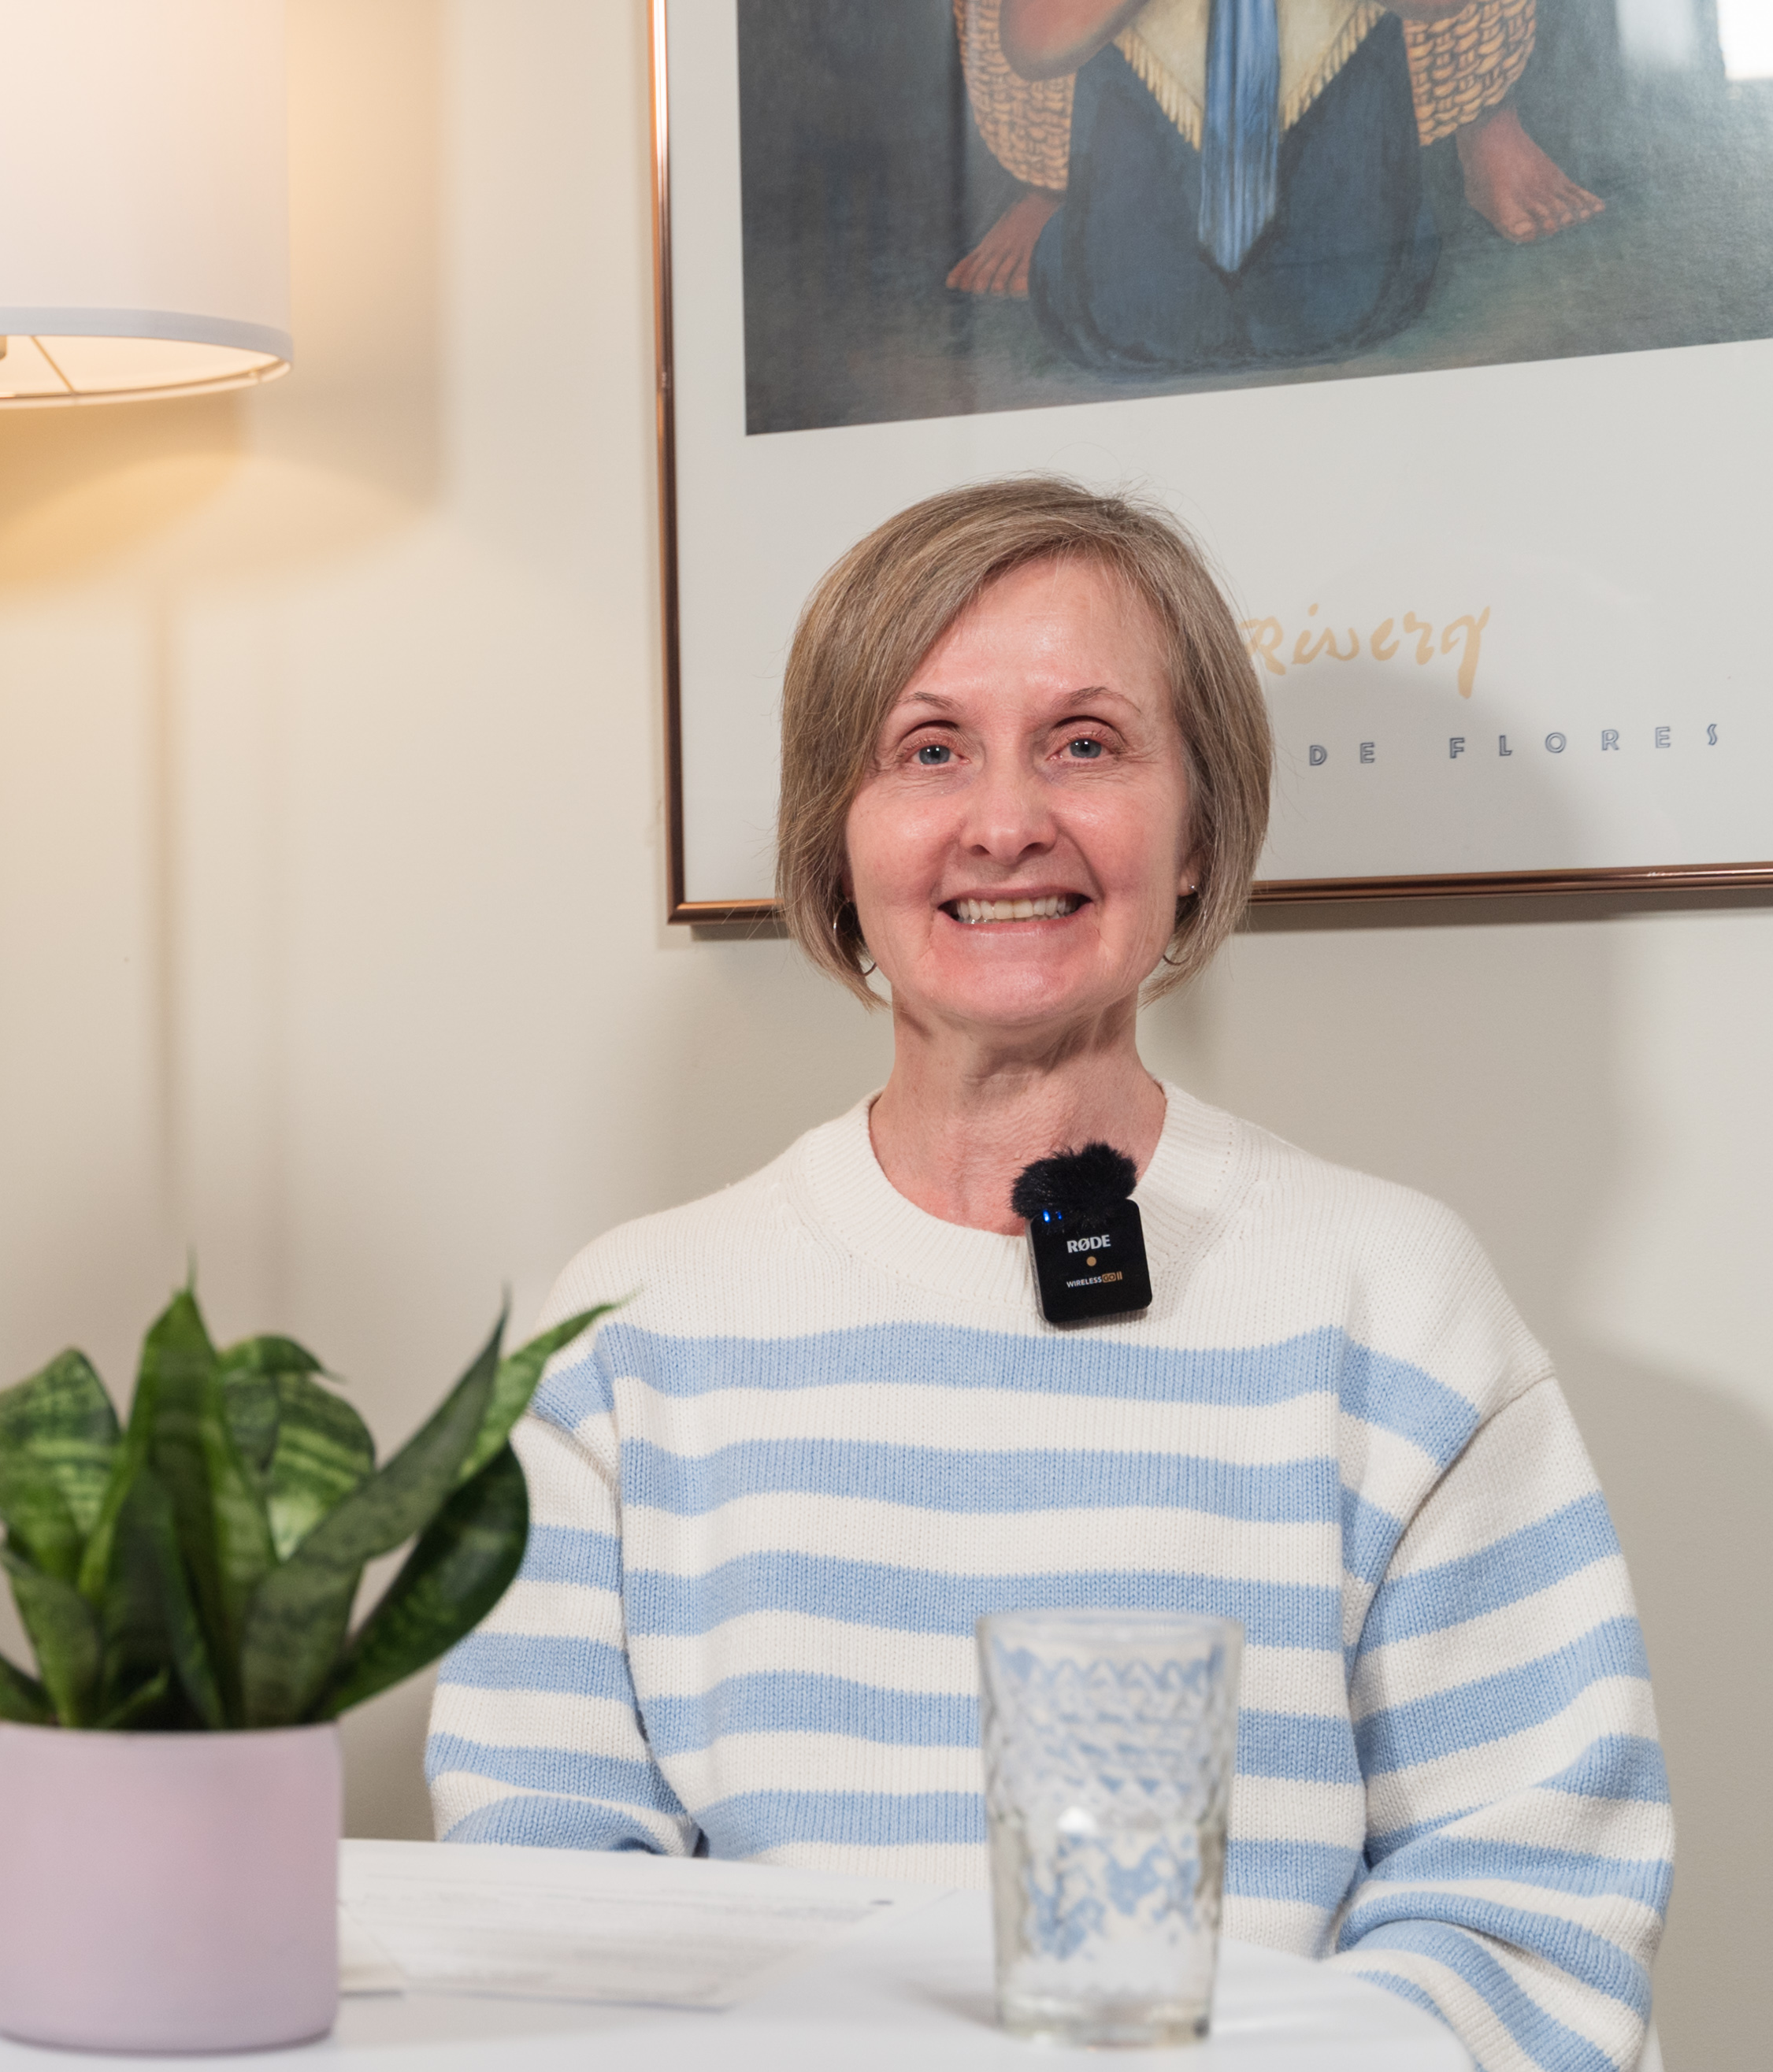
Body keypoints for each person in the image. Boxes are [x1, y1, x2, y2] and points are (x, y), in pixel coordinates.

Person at [426, 479, 1666, 2072]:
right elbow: (544, 1906)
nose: (1002, 819)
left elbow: (1534, 1919)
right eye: (927, 749)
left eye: (1084, 743)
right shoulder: (626, 1341)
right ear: (837, 832)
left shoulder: (1395, 1307)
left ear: (1197, 822)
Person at [950, 0, 1606, 303]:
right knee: (1130, 307)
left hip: (1333, 147)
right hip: (1146, 164)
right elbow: (1033, 43)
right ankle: (1046, 182)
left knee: (1347, 292)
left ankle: (1484, 119)